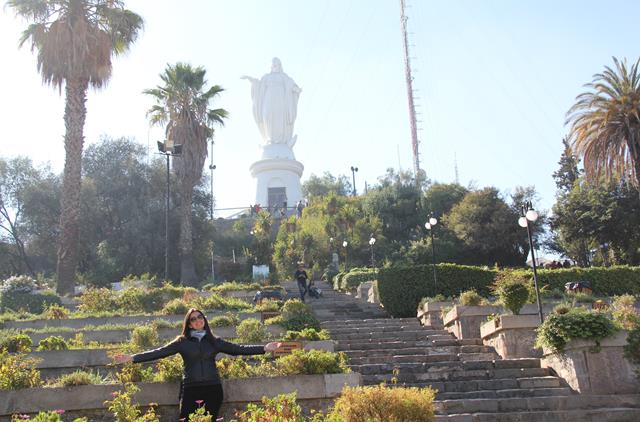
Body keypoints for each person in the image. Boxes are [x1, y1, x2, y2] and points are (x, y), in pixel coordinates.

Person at [114, 308, 281, 420]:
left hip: (212, 388)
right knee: (186, 418)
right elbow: (159, 352)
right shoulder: (182, 342)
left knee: (210, 419)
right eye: (193, 319)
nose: (197, 320)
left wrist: (264, 348)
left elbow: (237, 349)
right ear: (189, 323)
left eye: (200, 317)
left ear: (204, 320)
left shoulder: (214, 341)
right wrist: (132, 358)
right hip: (191, 389)